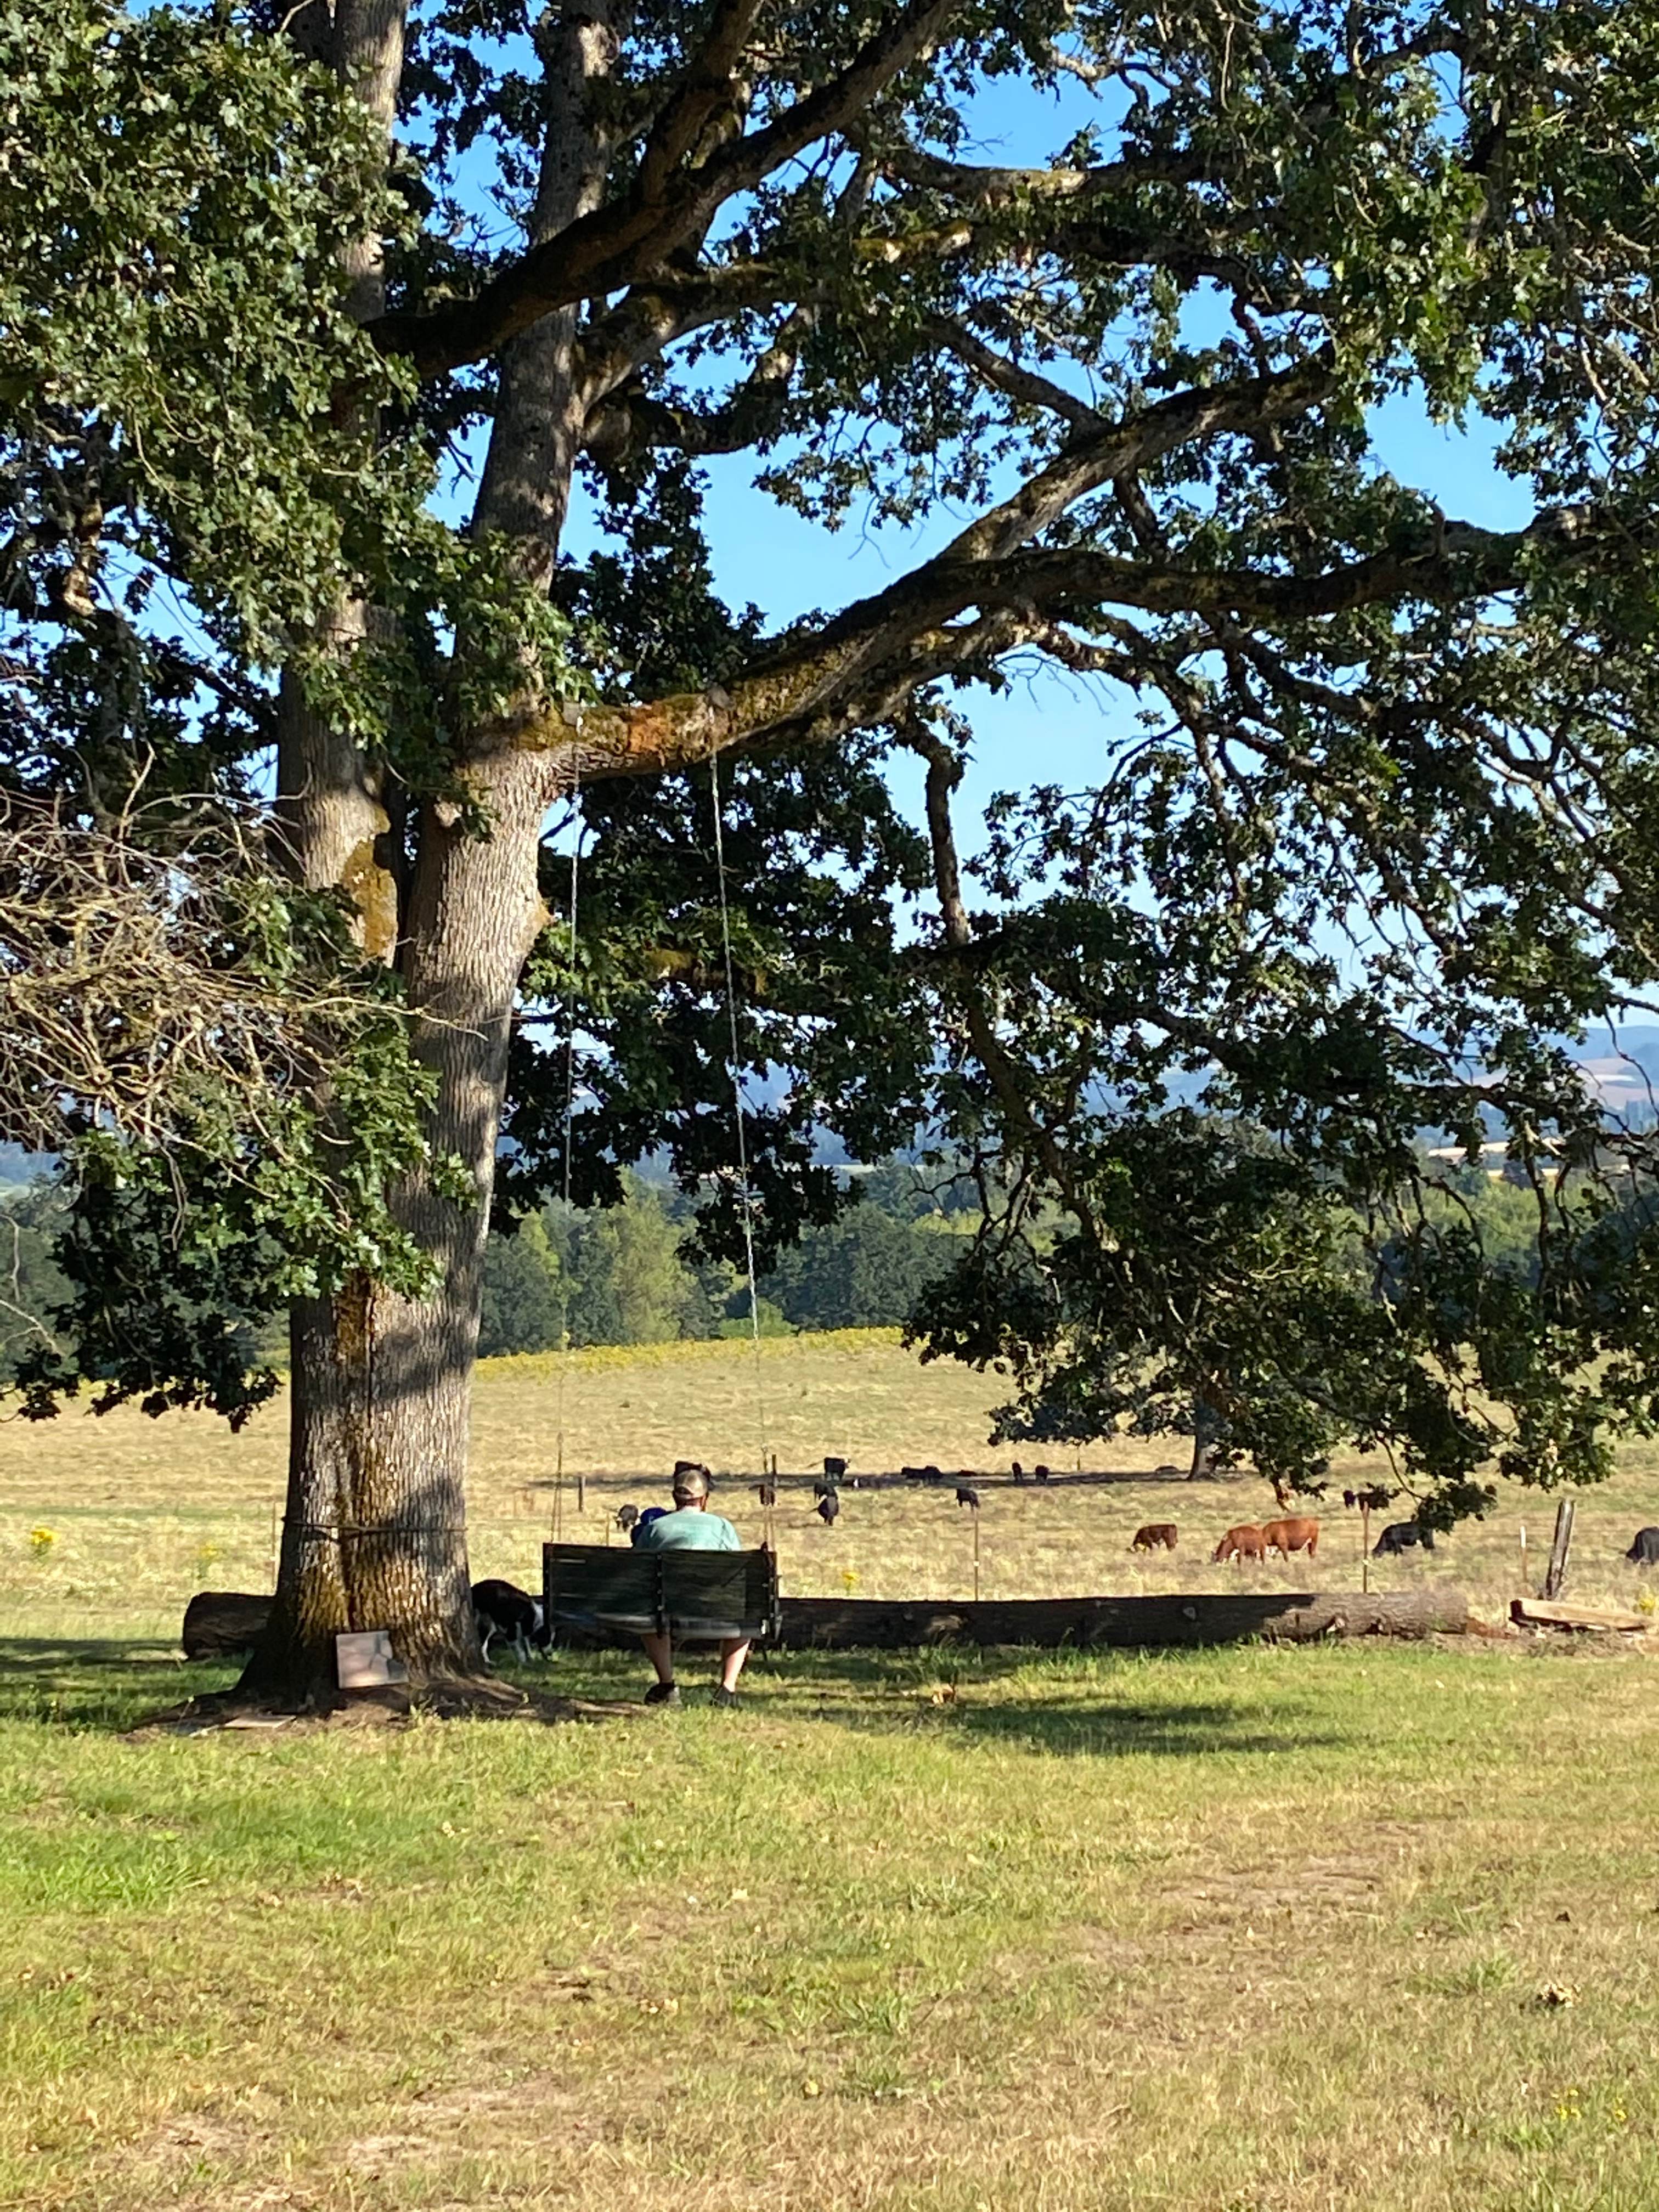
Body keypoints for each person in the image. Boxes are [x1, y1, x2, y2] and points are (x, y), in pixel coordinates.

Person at [634, 1464, 749, 1707]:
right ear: (704, 1499)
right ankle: (727, 1688)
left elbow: (636, 1567)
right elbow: (738, 1569)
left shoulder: (656, 1528)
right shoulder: (722, 1527)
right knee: (748, 1615)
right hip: (715, 1608)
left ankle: (666, 1684)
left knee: (649, 1617)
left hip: (667, 1608)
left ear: (675, 1497)